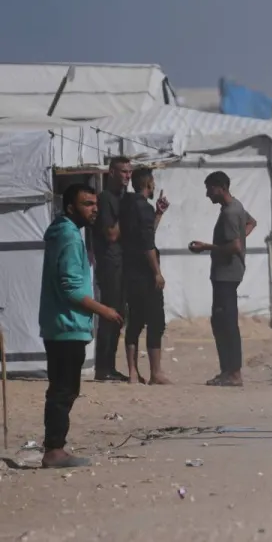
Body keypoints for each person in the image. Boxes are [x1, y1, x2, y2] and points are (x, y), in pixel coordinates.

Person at [39, 183, 123, 468]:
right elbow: (71, 290)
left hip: (58, 325)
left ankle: (54, 447)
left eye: (95, 203)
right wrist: (105, 311)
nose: (94, 209)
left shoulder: (62, 233)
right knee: (64, 390)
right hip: (66, 326)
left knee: (61, 388)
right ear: (71, 208)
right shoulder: (71, 238)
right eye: (87, 204)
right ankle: (54, 450)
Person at [188, 171, 256, 387]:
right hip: (229, 273)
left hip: (227, 274)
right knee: (221, 321)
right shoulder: (236, 207)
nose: (208, 194)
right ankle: (228, 370)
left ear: (220, 187)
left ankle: (233, 372)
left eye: (210, 189)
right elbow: (252, 223)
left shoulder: (229, 213)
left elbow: (235, 245)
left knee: (225, 322)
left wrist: (206, 247)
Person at [119, 166, 170, 385]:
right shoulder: (143, 208)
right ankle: (155, 372)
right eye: (153, 181)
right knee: (155, 321)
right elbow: (147, 243)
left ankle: (132, 372)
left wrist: (158, 213)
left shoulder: (127, 205)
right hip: (144, 272)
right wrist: (156, 272)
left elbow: (144, 233)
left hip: (129, 270)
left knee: (135, 321)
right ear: (147, 184)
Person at [92, 155, 130, 382]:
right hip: (110, 264)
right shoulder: (106, 199)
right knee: (110, 314)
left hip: (123, 264)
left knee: (119, 316)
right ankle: (103, 368)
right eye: (124, 171)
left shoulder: (122, 197)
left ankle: (110, 366)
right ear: (113, 173)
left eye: (129, 172)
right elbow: (111, 234)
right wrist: (126, 213)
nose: (127, 176)